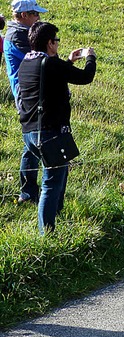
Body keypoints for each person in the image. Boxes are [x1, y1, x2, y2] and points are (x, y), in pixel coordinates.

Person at [17, 21, 96, 234]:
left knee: (57, 176)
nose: (58, 44)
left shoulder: (26, 63)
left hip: (30, 132)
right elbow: (86, 77)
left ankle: (55, 219)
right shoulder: (51, 64)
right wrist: (91, 57)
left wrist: (68, 61)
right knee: (51, 184)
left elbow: (50, 79)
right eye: (57, 41)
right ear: (50, 43)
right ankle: (48, 234)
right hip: (50, 133)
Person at [4, 0, 47, 205]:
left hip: (30, 92)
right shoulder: (18, 36)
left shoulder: (21, 32)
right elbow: (37, 60)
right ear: (23, 15)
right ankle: (30, 191)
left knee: (31, 143)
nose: (38, 17)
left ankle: (29, 191)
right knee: (33, 142)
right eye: (34, 14)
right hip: (27, 94)